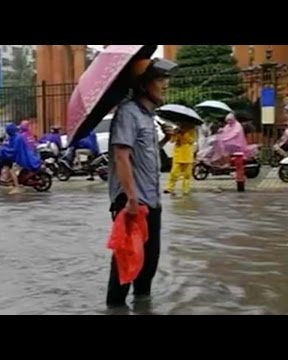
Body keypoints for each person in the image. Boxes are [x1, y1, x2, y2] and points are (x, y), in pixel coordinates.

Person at [106, 56, 178, 308]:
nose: (165, 85)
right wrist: (132, 200)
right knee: (126, 266)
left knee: (148, 265)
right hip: (132, 204)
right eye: (160, 79)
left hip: (151, 201)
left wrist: (164, 142)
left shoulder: (148, 116)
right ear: (144, 84)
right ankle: (115, 308)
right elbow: (121, 156)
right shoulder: (128, 113)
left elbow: (141, 157)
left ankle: (142, 306)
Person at [0, 123, 42, 194]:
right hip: (19, 156)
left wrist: (4, 150)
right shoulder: (14, 137)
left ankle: (17, 187)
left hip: (20, 158)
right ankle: (13, 183)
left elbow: (14, 149)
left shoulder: (17, 138)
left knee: (12, 170)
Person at [164, 122, 197, 196]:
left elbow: (192, 141)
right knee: (174, 173)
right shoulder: (176, 131)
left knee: (187, 175)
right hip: (178, 155)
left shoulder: (192, 131)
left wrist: (184, 134)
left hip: (188, 155)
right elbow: (172, 141)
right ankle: (170, 188)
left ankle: (185, 190)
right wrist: (175, 134)